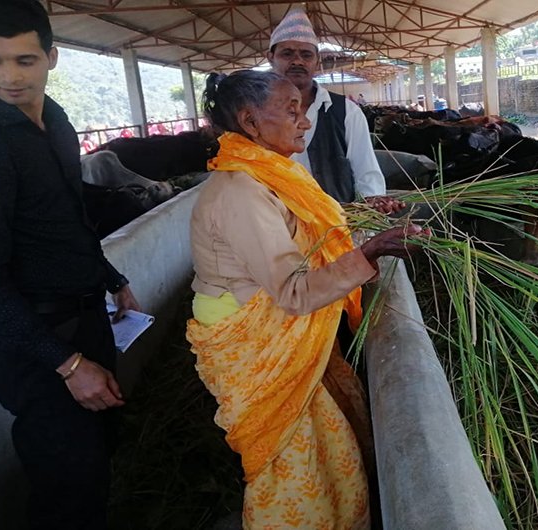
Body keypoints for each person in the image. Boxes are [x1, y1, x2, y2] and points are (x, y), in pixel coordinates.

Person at [186, 69, 427, 529]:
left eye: (304, 110)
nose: (305, 122)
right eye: (292, 111)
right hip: (250, 336)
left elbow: (307, 231)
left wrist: (358, 215)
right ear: (250, 122)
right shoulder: (241, 190)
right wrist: (370, 252)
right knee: (292, 461)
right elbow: (294, 291)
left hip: (273, 324)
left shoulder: (274, 173)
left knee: (329, 439)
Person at [0, 1, 141, 528]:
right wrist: (67, 365)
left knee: (98, 457)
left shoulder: (55, 120)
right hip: (38, 345)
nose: (8, 77)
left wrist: (111, 278)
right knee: (66, 486)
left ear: (52, 57)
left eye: (24, 60)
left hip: (86, 318)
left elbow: (66, 214)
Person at [267, 5, 387, 204]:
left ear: (317, 61)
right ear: (271, 58)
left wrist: (371, 209)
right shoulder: (256, 113)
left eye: (306, 55)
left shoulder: (346, 112)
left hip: (337, 226)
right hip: (276, 225)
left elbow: (367, 173)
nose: (297, 61)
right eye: (287, 53)